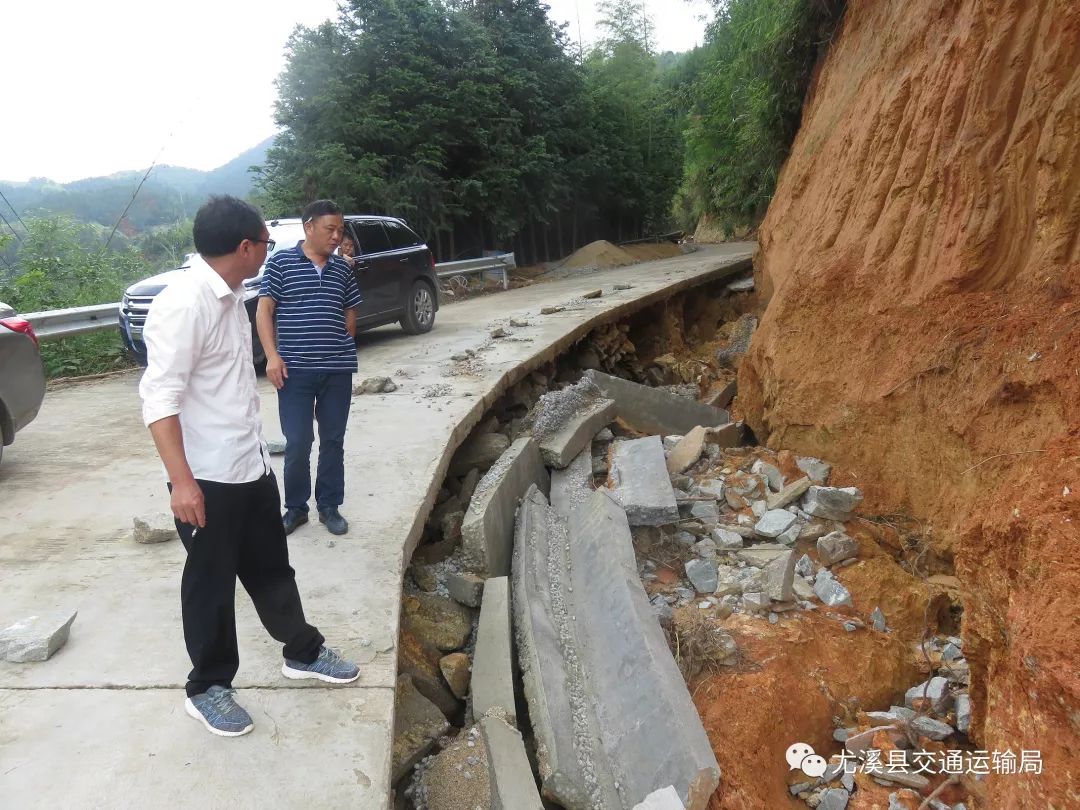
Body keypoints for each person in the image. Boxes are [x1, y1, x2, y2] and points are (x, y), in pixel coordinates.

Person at [139, 195, 360, 738]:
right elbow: (159, 401)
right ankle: (208, 687)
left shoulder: (233, 293)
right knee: (211, 585)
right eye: (265, 241)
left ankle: (302, 652)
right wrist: (183, 484)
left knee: (270, 569)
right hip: (207, 479)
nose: (270, 249)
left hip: (250, 464)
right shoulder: (183, 305)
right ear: (244, 247)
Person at [256, 199, 363, 536]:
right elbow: (264, 311)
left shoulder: (343, 268)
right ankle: (296, 508)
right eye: (330, 229)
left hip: (336, 370)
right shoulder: (281, 263)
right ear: (309, 227)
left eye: (340, 230)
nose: (336, 236)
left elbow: (350, 310)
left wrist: (343, 340)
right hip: (294, 371)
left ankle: (329, 506)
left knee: (333, 439)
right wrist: (272, 356)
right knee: (298, 441)